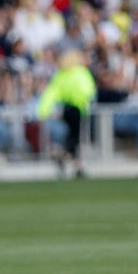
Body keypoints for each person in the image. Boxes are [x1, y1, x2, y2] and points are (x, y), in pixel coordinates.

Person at [36, 49, 97, 179]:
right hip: (78, 109)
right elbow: (89, 90)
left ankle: (74, 163)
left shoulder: (61, 75)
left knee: (72, 138)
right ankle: (68, 158)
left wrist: (43, 111)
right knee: (75, 139)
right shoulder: (81, 73)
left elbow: (51, 93)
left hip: (66, 108)